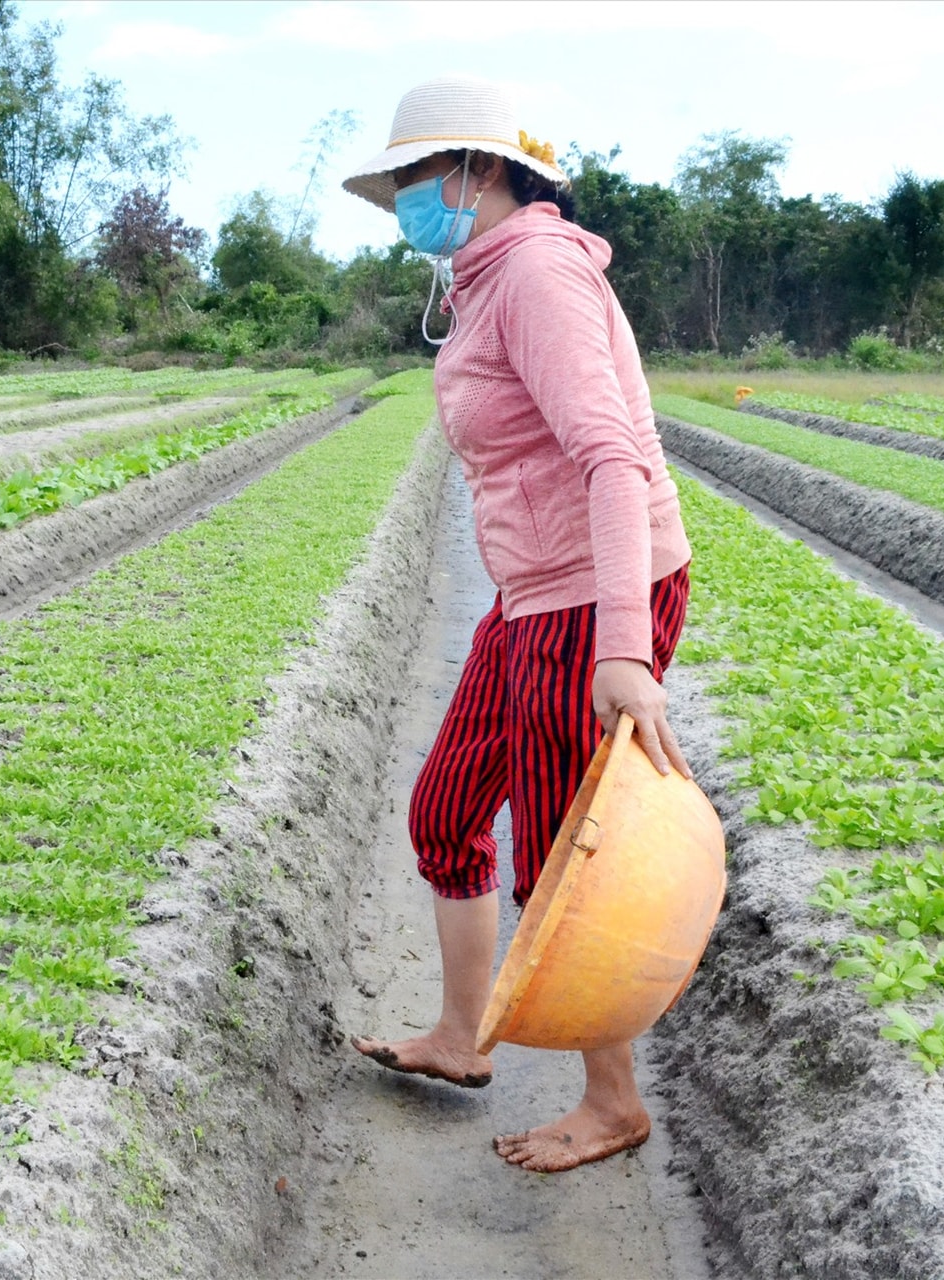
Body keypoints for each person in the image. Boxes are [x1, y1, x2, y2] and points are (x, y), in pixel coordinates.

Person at [339, 76, 694, 1174]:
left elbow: (613, 458)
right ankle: (461, 1036)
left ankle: (613, 1100)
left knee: (557, 855)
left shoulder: (536, 270)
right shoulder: (485, 278)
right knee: (448, 809)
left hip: (593, 597)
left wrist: (624, 651)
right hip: (533, 592)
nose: (404, 195)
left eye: (413, 174)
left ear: (479, 170)